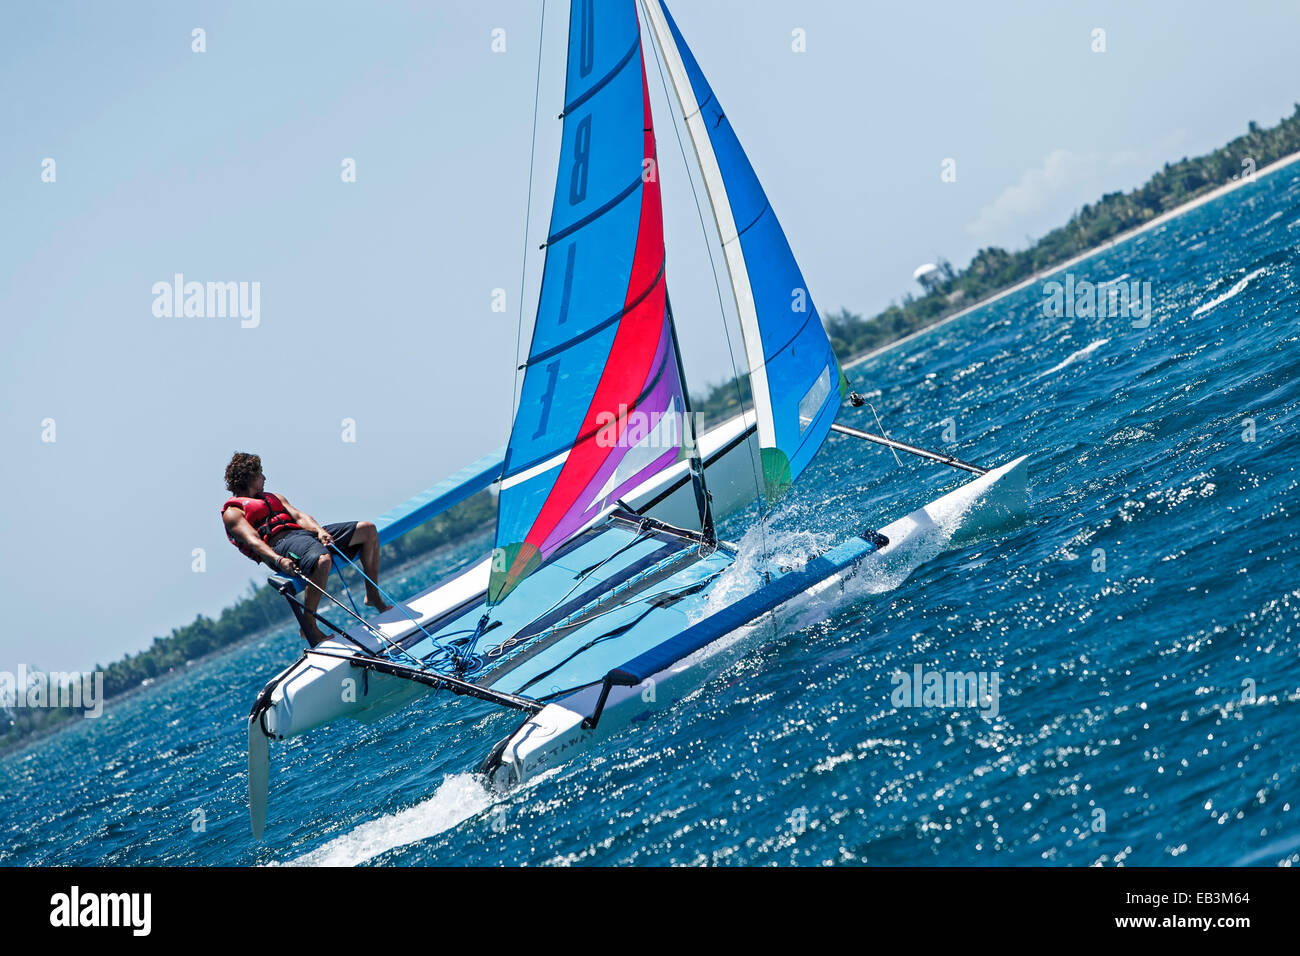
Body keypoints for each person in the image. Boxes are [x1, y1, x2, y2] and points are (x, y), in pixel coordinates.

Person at [220, 451, 390, 645]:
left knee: (367, 529)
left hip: (305, 537)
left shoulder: (274, 497)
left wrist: (319, 531)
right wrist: (278, 560)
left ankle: (373, 595)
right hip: (281, 546)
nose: (264, 478)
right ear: (249, 477)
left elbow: (300, 517)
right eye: (260, 474)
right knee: (323, 560)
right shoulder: (233, 513)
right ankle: (309, 626)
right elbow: (254, 541)